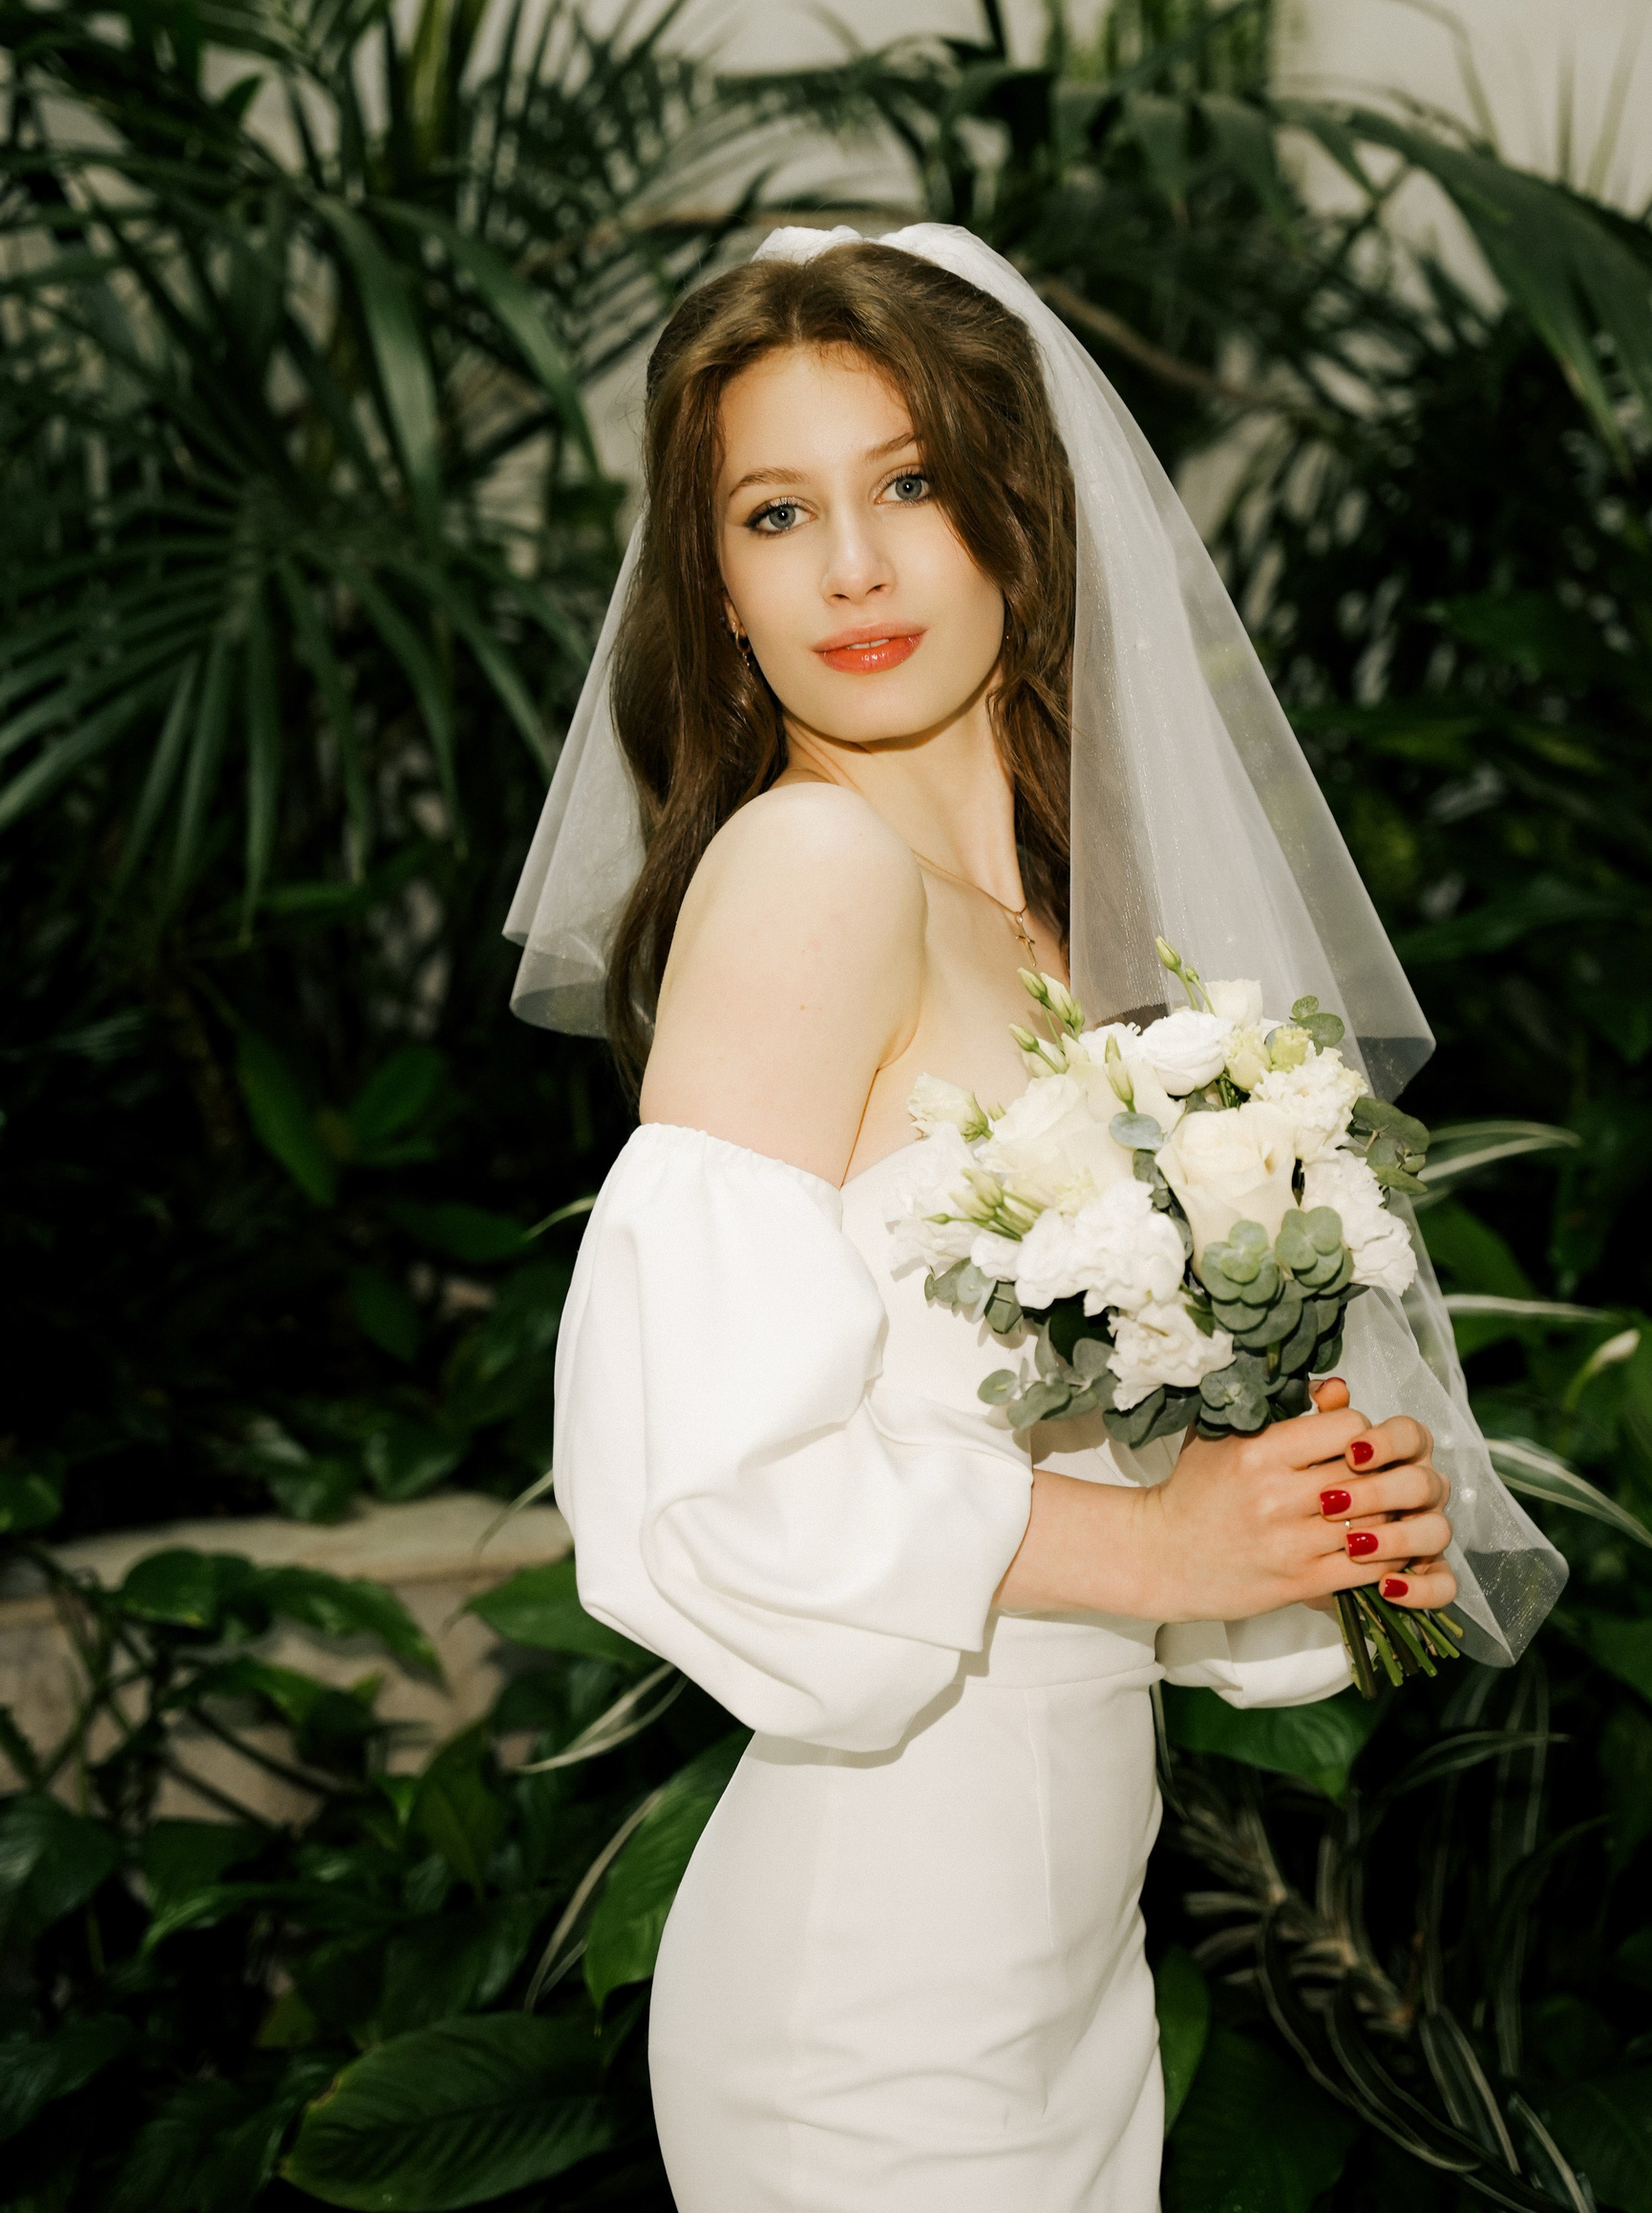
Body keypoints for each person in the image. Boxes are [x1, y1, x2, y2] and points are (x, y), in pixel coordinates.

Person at [505, 225, 1566, 2211]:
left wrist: (1300, 1511)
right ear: (716, 592)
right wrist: (1160, 1538)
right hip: (870, 1993)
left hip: (1067, 1973)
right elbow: (690, 1495)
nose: (853, 566)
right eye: (774, 513)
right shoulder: (807, 869)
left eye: (908, 482)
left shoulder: (1066, 944)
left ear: (1017, 510)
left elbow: (1102, 1490)